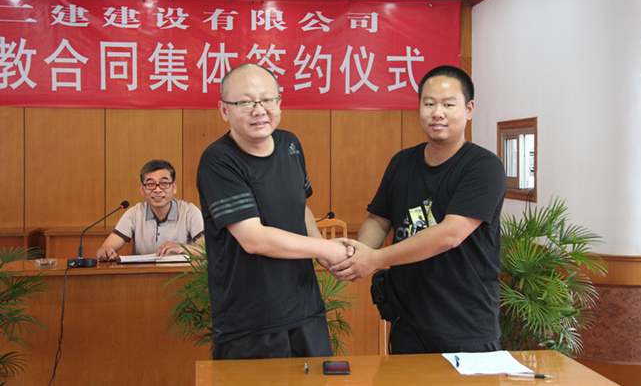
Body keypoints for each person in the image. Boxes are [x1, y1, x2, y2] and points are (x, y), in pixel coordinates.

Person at [331, 65, 506, 354]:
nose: (437, 113)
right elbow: (378, 220)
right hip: (407, 322)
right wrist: (358, 254)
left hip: (465, 326)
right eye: (429, 103)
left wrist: (374, 259)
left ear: (469, 109)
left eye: (448, 104)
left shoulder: (484, 167)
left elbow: (450, 235)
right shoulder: (402, 162)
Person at [196, 63, 351, 360]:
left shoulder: (290, 143)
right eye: (245, 102)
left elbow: (300, 206)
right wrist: (327, 248)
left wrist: (322, 252)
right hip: (251, 321)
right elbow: (254, 239)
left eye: (268, 99)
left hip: (306, 309)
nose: (259, 110)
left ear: (279, 102)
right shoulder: (218, 160)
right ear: (224, 110)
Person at [96, 159, 204, 261]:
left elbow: (206, 251)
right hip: (143, 274)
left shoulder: (189, 212)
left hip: (180, 274)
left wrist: (181, 247)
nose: (157, 190)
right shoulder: (134, 213)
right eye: (150, 184)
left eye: (164, 183)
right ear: (142, 189)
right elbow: (105, 248)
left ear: (174, 187)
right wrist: (105, 252)